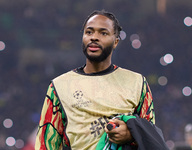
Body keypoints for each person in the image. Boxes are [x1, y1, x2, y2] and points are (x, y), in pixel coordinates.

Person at [35, 10, 168, 150]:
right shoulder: (59, 86)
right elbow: (46, 143)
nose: (94, 37)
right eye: (89, 32)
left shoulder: (137, 82)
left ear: (116, 41)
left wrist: (130, 135)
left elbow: (150, 137)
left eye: (103, 33)